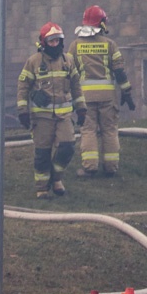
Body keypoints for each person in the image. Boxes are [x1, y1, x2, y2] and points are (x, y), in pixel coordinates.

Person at [17, 22, 85, 198]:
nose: (55, 44)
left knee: (68, 146)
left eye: (57, 40)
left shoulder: (68, 61)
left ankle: (56, 178)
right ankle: (42, 188)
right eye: (51, 41)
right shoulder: (33, 62)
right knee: (42, 153)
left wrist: (81, 108)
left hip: (64, 116)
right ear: (43, 42)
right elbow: (23, 86)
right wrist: (23, 110)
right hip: (41, 118)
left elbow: (76, 86)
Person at [72, 5, 133, 178]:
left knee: (88, 130)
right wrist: (126, 92)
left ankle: (90, 167)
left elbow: (69, 72)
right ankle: (111, 167)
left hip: (85, 98)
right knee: (109, 130)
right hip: (108, 98)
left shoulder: (75, 46)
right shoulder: (110, 45)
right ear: (102, 23)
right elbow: (119, 71)